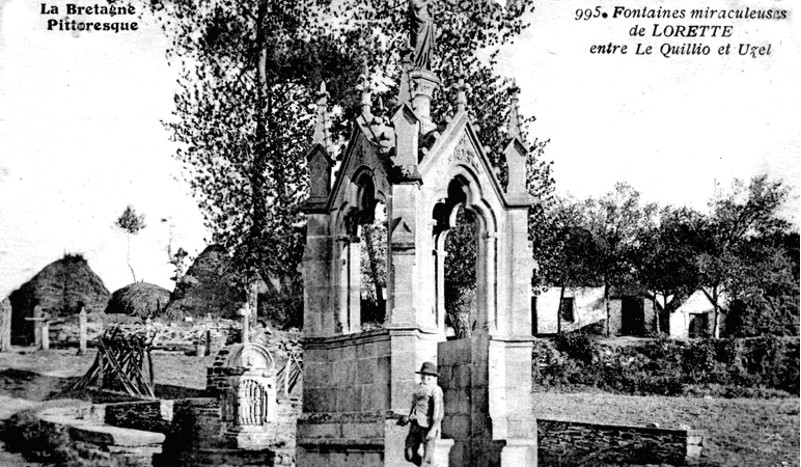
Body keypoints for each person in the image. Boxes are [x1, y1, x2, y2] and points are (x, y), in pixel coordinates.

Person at [398, 361, 444, 466]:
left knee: (427, 458)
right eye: (423, 374)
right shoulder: (417, 387)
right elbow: (414, 405)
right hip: (415, 426)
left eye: (429, 375)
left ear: (433, 377)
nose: (426, 377)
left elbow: (438, 411)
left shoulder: (436, 390)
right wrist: (408, 417)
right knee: (409, 453)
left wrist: (433, 429)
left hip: (428, 426)